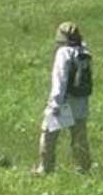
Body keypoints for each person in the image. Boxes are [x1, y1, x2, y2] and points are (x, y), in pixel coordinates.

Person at [35, 22, 92, 174]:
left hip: (64, 102)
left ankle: (45, 168)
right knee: (79, 138)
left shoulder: (63, 53)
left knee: (49, 135)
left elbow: (60, 81)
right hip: (80, 101)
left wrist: (54, 105)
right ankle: (83, 169)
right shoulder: (84, 51)